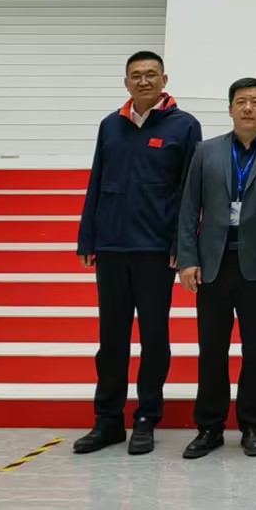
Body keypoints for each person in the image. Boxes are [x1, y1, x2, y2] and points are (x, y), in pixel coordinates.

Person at [74, 50, 202, 456]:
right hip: (112, 245)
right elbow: (96, 179)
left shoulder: (185, 126)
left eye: (151, 74)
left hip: (155, 250)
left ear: (164, 79)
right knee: (111, 339)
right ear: (126, 82)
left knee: (154, 338)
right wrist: (87, 237)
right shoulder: (110, 125)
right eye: (136, 75)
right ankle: (108, 419)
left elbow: (191, 192)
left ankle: (147, 417)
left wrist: (182, 244)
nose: (143, 81)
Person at [176, 77, 256, 459]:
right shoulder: (206, 151)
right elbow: (189, 208)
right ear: (230, 108)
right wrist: (187, 259)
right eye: (241, 101)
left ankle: (253, 425)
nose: (248, 108)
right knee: (211, 348)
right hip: (213, 264)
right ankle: (209, 427)